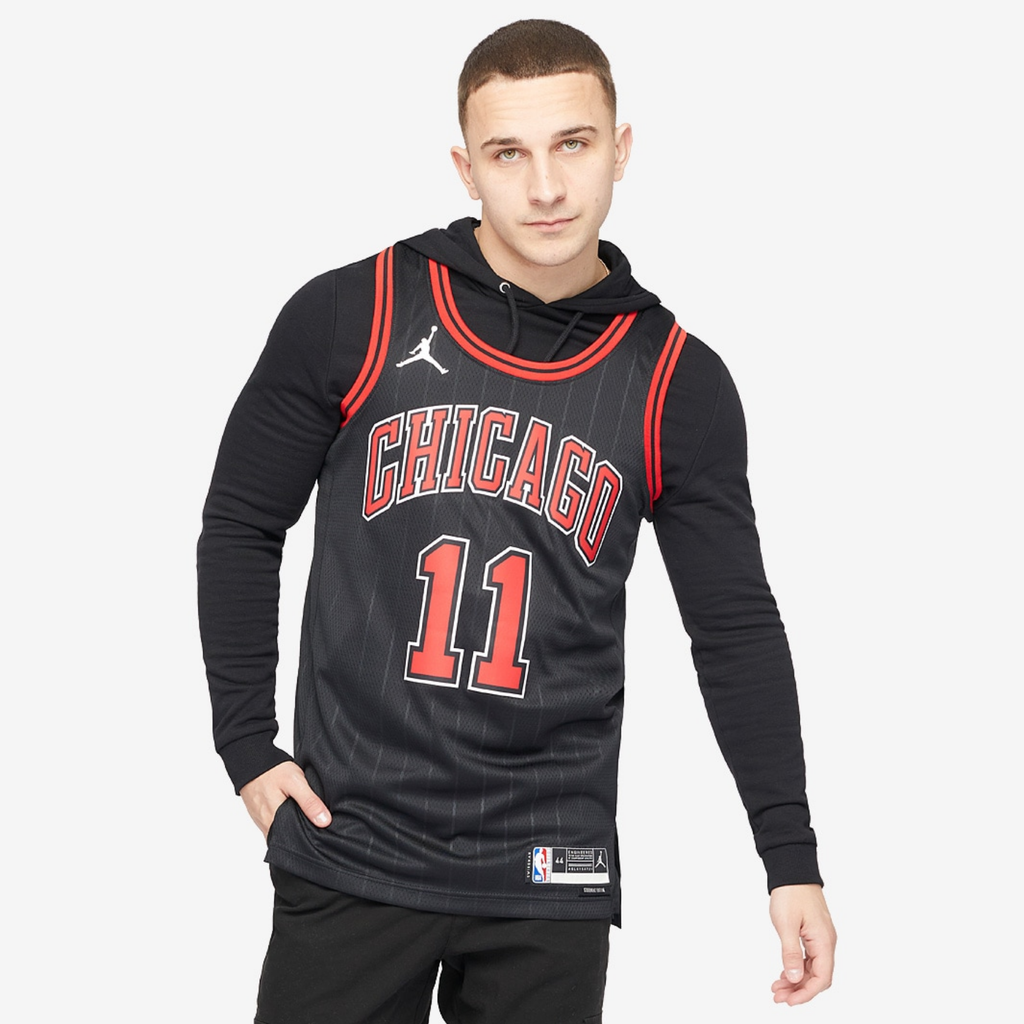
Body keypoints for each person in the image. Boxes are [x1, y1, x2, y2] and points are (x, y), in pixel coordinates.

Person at [198, 19, 836, 1023]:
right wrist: (245, 744)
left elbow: (734, 628)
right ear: (466, 168)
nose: (544, 187)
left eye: (572, 144)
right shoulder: (355, 312)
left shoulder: (676, 382)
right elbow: (242, 523)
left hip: (549, 864)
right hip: (351, 837)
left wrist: (789, 856)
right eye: (508, 153)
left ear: (621, 148)